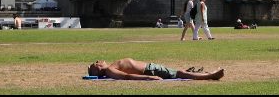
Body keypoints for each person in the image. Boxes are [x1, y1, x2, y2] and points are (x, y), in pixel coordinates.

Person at [87, 58, 224, 81]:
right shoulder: (110, 70)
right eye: (96, 63)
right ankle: (211, 75)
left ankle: (208, 74)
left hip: (151, 68)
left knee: (179, 72)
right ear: (98, 69)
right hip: (150, 71)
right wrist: (149, 77)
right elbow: (127, 76)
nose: (98, 61)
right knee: (180, 73)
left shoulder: (111, 67)